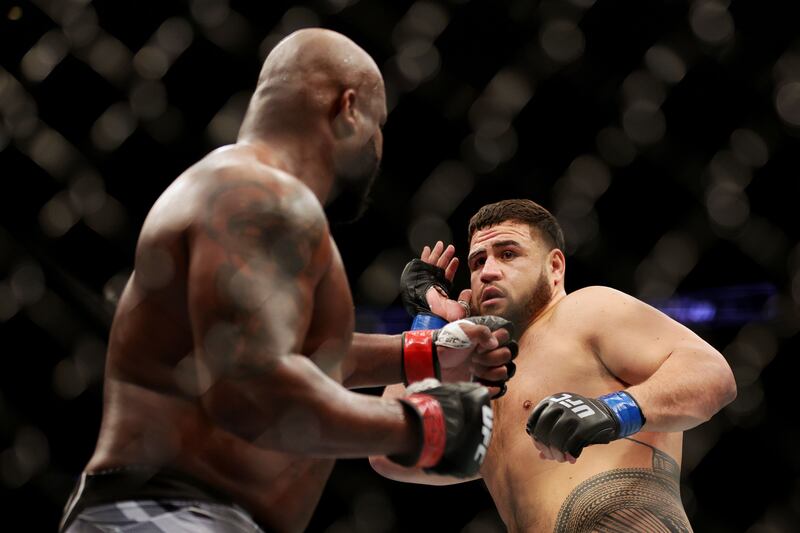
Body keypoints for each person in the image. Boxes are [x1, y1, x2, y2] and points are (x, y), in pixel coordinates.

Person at [59, 29, 517, 533]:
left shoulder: (242, 193)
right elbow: (248, 385)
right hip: (168, 513)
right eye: (379, 124)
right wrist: (420, 426)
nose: (380, 147)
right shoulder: (261, 196)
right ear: (348, 109)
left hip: (190, 513)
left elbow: (300, 355)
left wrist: (426, 352)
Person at [371, 199, 737, 532]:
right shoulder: (478, 379)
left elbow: (712, 372)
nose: (488, 271)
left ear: (555, 266)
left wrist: (614, 409)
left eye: (508, 254)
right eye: (477, 261)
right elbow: (389, 453)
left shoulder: (586, 310)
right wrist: (428, 325)